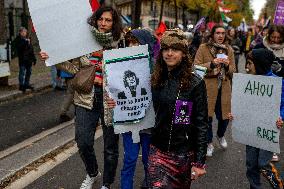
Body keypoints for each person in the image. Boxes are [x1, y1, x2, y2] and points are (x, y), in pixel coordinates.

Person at [40, 6, 125, 189]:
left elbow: (128, 71)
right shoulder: (84, 41)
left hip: (111, 100)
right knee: (83, 141)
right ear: (95, 19)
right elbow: (75, 70)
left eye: (108, 20)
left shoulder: (121, 41)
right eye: (100, 19)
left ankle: (107, 183)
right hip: (86, 97)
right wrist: (53, 58)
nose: (103, 23)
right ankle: (93, 173)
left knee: (110, 146)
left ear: (114, 22)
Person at [148, 29, 208, 188]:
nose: (169, 53)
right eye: (165, 49)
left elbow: (201, 124)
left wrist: (200, 161)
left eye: (174, 49)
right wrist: (115, 104)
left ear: (183, 53)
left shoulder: (195, 83)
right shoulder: (156, 79)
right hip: (157, 150)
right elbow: (143, 105)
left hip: (182, 154)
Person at [107, 28, 156, 189]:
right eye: (130, 42)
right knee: (130, 159)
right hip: (129, 124)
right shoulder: (120, 65)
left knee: (149, 160)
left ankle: (149, 185)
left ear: (146, 44)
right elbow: (113, 89)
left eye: (136, 42)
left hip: (150, 124)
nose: (132, 45)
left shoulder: (156, 65)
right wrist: (111, 102)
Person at [239, 48, 284, 189]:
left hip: (268, 129)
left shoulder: (277, 83)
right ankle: (255, 187)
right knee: (251, 164)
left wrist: (281, 117)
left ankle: (277, 184)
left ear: (260, 64)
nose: (247, 67)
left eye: (250, 63)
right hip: (251, 130)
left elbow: (283, 104)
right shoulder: (248, 81)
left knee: (263, 164)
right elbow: (243, 103)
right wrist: (235, 114)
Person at [194, 25, 236, 157]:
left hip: (224, 88)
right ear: (212, 34)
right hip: (208, 88)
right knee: (207, 118)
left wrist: (228, 65)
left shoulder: (229, 49)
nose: (220, 36)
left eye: (223, 33)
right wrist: (212, 64)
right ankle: (209, 143)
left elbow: (233, 71)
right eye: (218, 33)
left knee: (225, 117)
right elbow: (196, 67)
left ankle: (220, 135)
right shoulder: (203, 48)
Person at [15, 27, 36, 92]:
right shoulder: (18, 39)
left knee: (29, 72)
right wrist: (26, 42)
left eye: (25, 32)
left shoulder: (27, 39)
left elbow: (31, 49)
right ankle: (21, 85)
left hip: (29, 59)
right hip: (22, 59)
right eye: (23, 32)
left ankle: (26, 84)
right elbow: (20, 48)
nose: (25, 33)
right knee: (22, 72)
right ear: (20, 32)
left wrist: (34, 58)